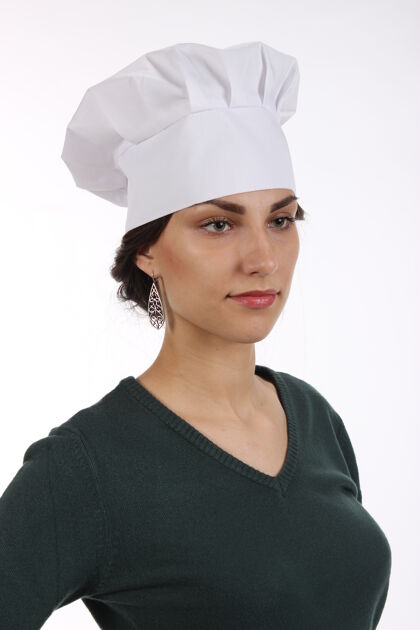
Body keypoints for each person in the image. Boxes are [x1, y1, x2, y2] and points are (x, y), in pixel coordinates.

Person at [0, 42, 392, 629]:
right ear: (148, 251)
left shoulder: (313, 417)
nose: (263, 259)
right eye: (217, 224)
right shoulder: (86, 467)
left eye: (281, 220)